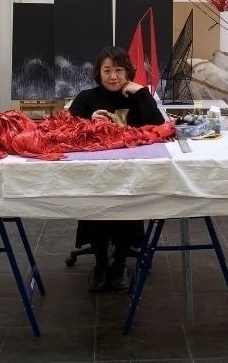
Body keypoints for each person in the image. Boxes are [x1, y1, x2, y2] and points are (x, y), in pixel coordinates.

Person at [68, 45, 165, 291]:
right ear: (98, 73)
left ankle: (120, 263)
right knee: (97, 210)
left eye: (119, 70)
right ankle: (101, 264)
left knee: (126, 210)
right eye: (107, 70)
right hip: (95, 173)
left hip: (130, 172)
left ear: (128, 72)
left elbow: (158, 124)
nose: (113, 76)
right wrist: (89, 122)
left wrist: (142, 92)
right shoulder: (87, 97)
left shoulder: (136, 96)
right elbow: (65, 125)